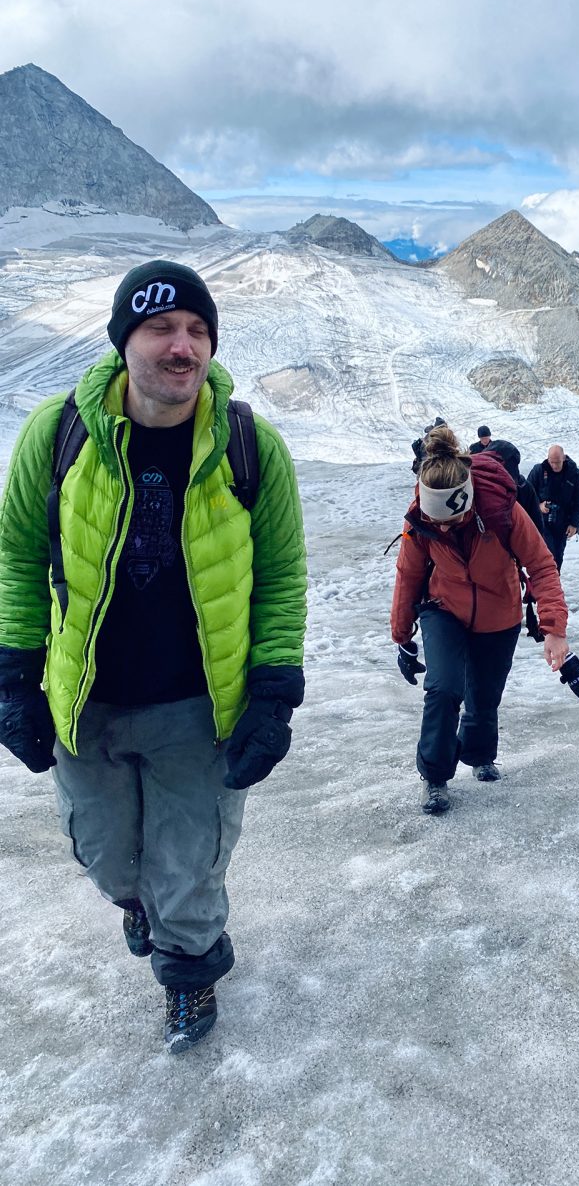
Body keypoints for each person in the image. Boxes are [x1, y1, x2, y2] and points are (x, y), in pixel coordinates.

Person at [0, 260, 307, 1053]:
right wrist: (13, 675)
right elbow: (15, 560)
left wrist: (273, 692)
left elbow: (280, 576)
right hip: (86, 701)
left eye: (199, 331)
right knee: (107, 858)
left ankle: (188, 969)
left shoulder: (248, 445)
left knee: (190, 869)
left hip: (197, 708)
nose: (183, 347)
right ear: (122, 341)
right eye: (162, 328)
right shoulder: (58, 432)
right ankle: (140, 906)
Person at [390, 426, 579, 815]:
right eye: (436, 521)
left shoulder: (501, 511)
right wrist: (402, 636)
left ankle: (479, 755)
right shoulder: (419, 518)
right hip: (444, 609)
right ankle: (436, 777)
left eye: (450, 519)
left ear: (468, 499)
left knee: (484, 695)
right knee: (443, 690)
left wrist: (554, 629)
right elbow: (409, 574)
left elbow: (542, 566)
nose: (442, 527)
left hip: (500, 612)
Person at [526, 445, 579, 572]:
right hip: (541, 521)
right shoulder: (539, 471)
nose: (554, 466)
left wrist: (575, 524)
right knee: (547, 554)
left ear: (563, 458)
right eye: (551, 462)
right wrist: (538, 506)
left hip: (563, 521)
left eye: (557, 462)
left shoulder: (574, 474)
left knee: (558, 557)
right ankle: (541, 586)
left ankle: (552, 587)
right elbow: (527, 494)